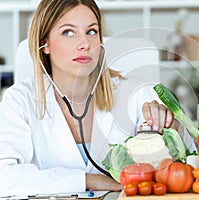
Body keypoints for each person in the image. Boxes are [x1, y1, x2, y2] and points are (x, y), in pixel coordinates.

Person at [0, 0, 177, 196]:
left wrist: (171, 129)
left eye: (91, 31)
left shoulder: (136, 94)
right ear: (45, 43)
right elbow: (3, 177)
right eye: (68, 32)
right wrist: (87, 180)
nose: (84, 44)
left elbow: (178, 170)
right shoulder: (19, 101)